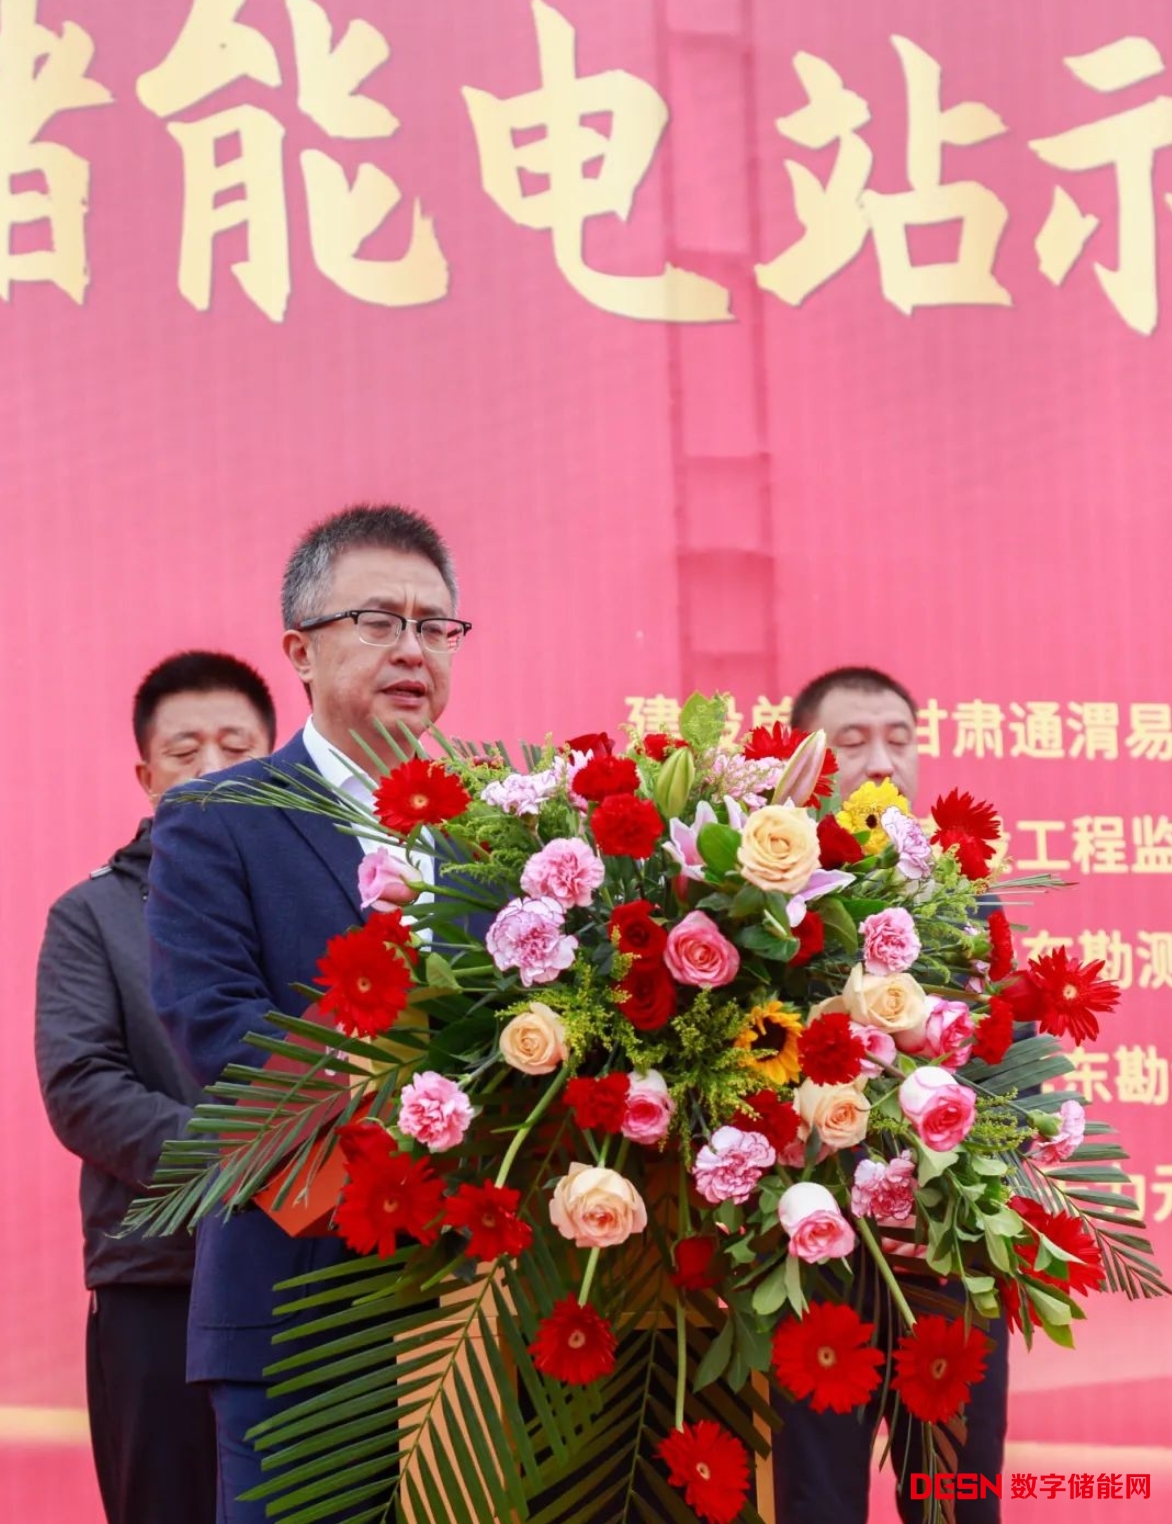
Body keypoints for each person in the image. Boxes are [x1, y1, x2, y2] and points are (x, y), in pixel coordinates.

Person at [145, 504, 472, 1524]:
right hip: (297, 1305)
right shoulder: (217, 818)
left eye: (435, 626)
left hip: (481, 1315)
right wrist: (424, 1108)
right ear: (299, 649)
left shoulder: (500, 836)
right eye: (379, 621)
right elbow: (214, 1026)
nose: (412, 649)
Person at [35, 650, 278, 1524]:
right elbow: (83, 1087)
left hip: (309, 1278)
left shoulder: (319, 899)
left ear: (278, 759)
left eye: (236, 748)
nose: (211, 769)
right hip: (161, 1280)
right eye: (184, 751)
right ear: (146, 776)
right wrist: (250, 1166)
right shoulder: (92, 915)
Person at [773, 665, 1010, 1524]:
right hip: (817, 1271)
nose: (883, 761)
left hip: (947, 1268)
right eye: (852, 742)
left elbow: (1006, 1070)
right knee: (818, 1506)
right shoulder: (768, 911)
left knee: (958, 1503)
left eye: (899, 740)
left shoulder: (969, 904)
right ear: (807, 763)